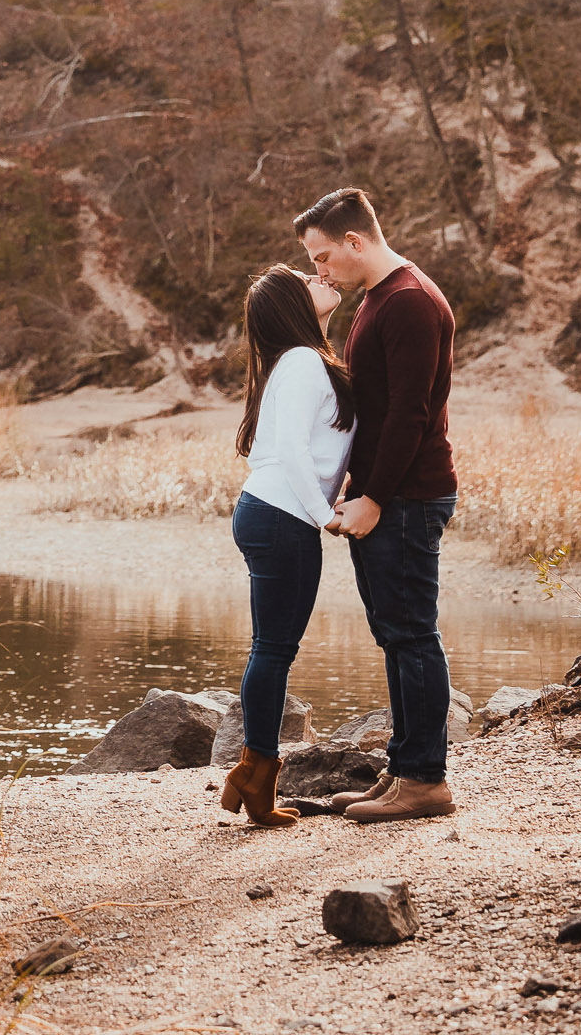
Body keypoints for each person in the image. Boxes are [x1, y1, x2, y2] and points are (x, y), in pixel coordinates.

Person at [298, 186, 461, 824]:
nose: (319, 268)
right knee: (395, 635)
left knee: (413, 635)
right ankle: (405, 769)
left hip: (408, 495)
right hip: (389, 493)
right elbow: (369, 395)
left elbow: (409, 415)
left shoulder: (411, 302)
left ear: (355, 242)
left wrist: (372, 497)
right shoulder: (378, 299)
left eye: (321, 256)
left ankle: (425, 781)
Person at [220, 264, 355, 828]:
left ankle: (252, 776)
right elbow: (297, 453)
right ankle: (255, 776)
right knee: (273, 650)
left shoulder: (300, 361)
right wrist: (326, 515)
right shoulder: (302, 362)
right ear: (295, 306)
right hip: (281, 515)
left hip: (271, 512)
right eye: (307, 278)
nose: (319, 276)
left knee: (272, 649)